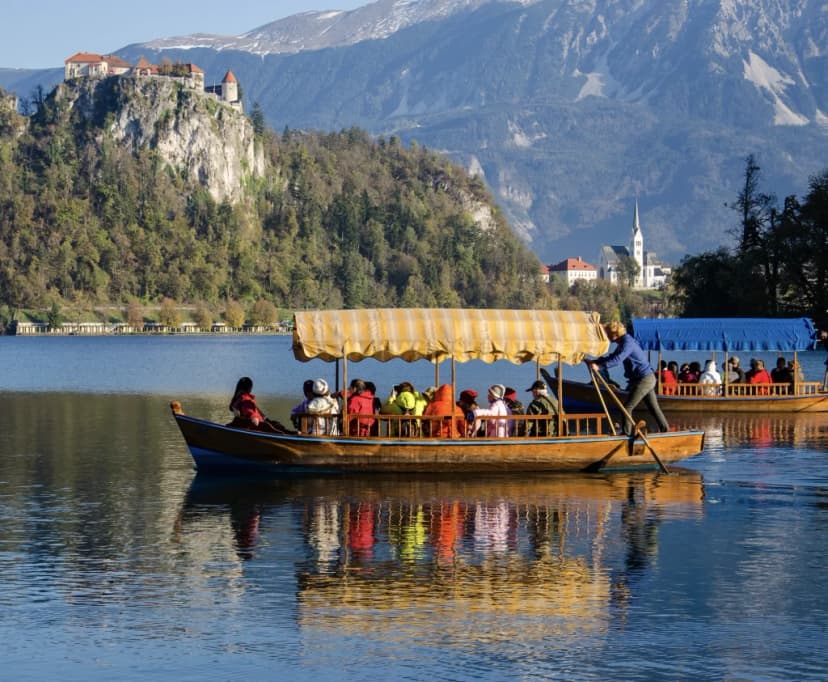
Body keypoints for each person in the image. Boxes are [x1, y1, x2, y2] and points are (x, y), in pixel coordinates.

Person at [587, 321, 670, 434]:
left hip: (645, 379)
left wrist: (599, 366)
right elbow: (612, 357)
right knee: (653, 408)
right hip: (643, 378)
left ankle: (627, 434)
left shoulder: (627, 342)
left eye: (607, 334)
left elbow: (618, 359)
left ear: (614, 334)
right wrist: (595, 361)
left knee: (627, 408)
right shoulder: (622, 342)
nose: (606, 336)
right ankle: (665, 431)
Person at [228, 376, 293, 433]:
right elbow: (251, 412)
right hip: (258, 424)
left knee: (275, 426)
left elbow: (252, 413)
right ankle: (294, 433)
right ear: (249, 389)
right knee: (276, 427)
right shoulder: (245, 399)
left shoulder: (243, 399)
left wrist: (254, 418)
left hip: (258, 426)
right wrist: (254, 418)